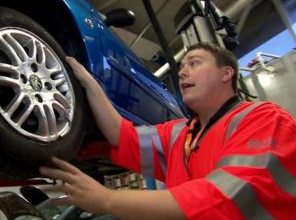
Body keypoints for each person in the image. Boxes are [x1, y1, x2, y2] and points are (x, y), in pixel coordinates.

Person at [39, 43, 296, 220]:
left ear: (226, 74)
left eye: (194, 63)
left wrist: (108, 200)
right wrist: (88, 82)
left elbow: (220, 198)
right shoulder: (181, 133)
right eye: (182, 66)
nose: (182, 71)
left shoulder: (264, 119)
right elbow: (122, 136)